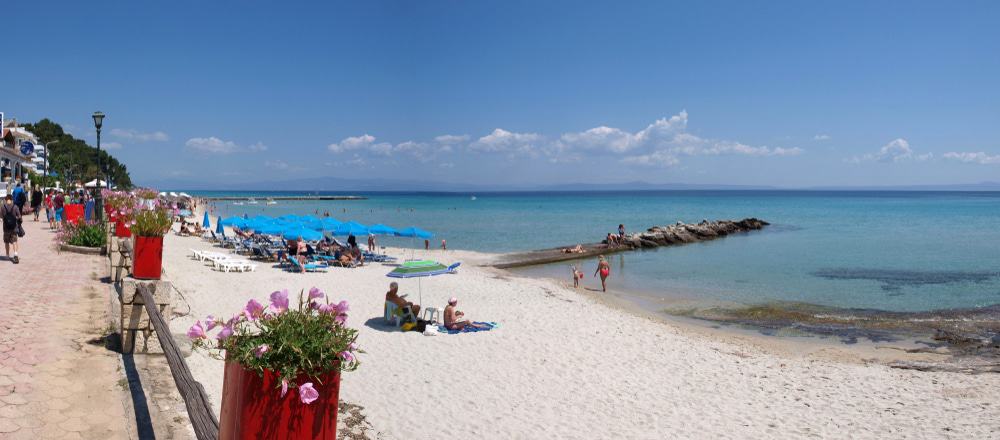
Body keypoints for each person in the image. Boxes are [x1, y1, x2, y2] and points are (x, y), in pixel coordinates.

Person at [2, 195, 23, 264]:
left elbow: (1, 216)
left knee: (6, 242)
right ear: (11, 199)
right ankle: (15, 254)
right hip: (14, 227)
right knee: (14, 241)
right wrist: (17, 219)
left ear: (5, 199)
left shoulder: (2, 207)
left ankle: (7, 255)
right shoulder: (15, 207)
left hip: (6, 227)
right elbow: (19, 216)